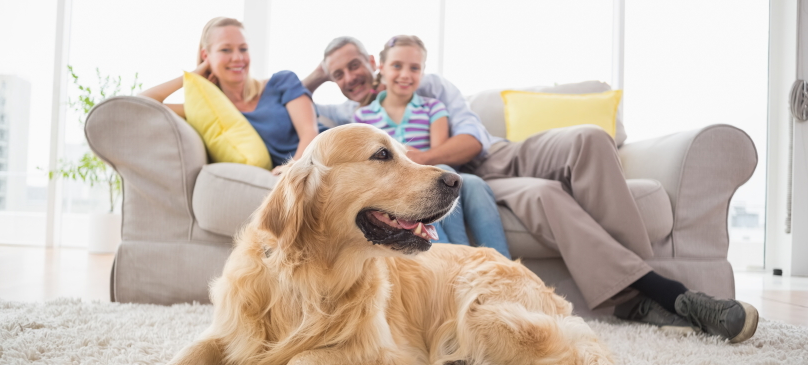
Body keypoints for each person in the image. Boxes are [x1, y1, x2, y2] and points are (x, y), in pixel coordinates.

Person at [302, 36, 759, 343]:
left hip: (497, 155)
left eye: (353, 66)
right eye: (337, 75)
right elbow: (289, 100)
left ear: (372, 61)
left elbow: (471, 140)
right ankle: (667, 294)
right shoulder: (348, 118)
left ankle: (643, 292)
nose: (349, 78)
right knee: (544, 198)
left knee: (589, 138)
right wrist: (317, 77)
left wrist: (419, 160)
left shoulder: (425, 85)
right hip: (477, 184)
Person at [352, 35, 510, 258]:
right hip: (397, 184)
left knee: (474, 184)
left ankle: (503, 262)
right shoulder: (363, 116)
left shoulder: (433, 107)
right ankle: (455, 258)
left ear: (423, 72)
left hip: (432, 174)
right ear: (382, 67)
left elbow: (437, 159)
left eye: (414, 68)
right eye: (397, 65)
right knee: (457, 177)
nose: (405, 75)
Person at [139, 17, 319, 175]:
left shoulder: (282, 81)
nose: (237, 58)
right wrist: (193, 75)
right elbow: (140, 105)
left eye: (243, 49)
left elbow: (309, 132)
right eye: (226, 50)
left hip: (321, 158)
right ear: (206, 55)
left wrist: (292, 169)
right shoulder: (211, 111)